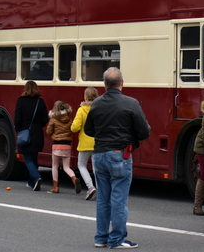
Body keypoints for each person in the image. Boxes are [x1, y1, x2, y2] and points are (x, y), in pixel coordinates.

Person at [85, 67, 151, 249]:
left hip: (99, 154)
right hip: (120, 154)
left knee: (103, 199)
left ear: (104, 84)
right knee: (119, 200)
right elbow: (144, 131)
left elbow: (88, 130)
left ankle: (101, 238)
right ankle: (117, 239)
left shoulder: (96, 103)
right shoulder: (131, 103)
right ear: (122, 82)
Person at [14, 80, 49, 191]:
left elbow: (17, 119)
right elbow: (45, 119)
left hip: (25, 132)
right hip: (37, 132)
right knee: (34, 158)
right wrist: (38, 125)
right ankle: (31, 181)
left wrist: (18, 129)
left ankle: (37, 177)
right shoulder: (40, 102)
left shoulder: (21, 101)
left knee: (28, 159)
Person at [46, 100, 81, 194]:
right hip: (67, 145)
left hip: (57, 144)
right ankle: (74, 178)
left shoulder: (53, 119)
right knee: (66, 167)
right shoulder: (69, 119)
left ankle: (56, 187)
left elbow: (48, 132)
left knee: (55, 165)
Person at [70, 87, 98, 200]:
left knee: (81, 165)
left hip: (85, 143)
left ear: (85, 97)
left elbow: (75, 128)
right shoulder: (99, 109)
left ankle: (90, 187)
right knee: (97, 167)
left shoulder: (81, 110)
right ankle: (101, 190)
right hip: (98, 143)